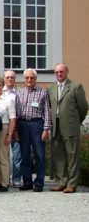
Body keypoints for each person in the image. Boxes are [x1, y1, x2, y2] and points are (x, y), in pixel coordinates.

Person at [47, 63, 88, 193]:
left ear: (67, 72)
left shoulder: (76, 87)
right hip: (56, 124)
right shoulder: (51, 88)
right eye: (57, 72)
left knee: (72, 154)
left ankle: (72, 183)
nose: (59, 74)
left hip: (70, 125)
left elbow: (83, 107)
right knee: (58, 154)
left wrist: (75, 121)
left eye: (62, 71)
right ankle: (61, 181)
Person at [15, 69, 51, 192]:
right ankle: (27, 182)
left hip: (37, 124)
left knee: (39, 154)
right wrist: (15, 130)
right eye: (27, 78)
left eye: (31, 78)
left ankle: (39, 182)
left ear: (35, 79)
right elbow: (15, 112)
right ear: (24, 79)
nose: (29, 80)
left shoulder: (43, 92)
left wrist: (46, 129)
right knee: (24, 155)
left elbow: (47, 112)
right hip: (22, 125)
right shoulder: (19, 93)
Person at [3, 69, 22, 188]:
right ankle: (4, 179)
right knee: (4, 155)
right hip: (4, 127)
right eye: (8, 77)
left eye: (12, 77)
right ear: (4, 78)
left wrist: (15, 129)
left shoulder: (20, 92)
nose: (10, 79)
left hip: (17, 126)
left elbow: (19, 111)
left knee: (17, 154)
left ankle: (16, 178)